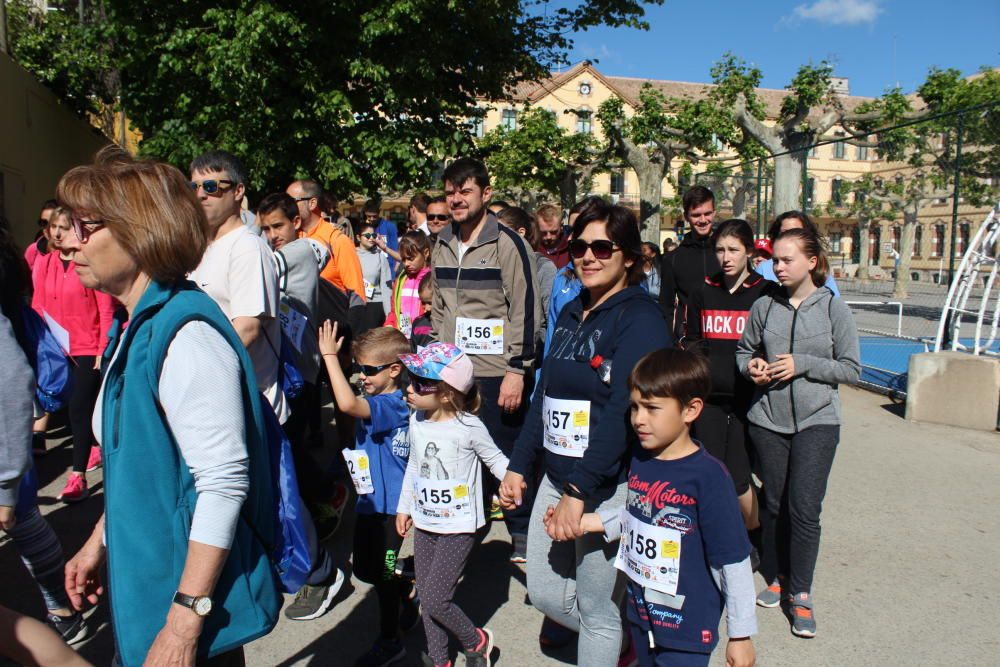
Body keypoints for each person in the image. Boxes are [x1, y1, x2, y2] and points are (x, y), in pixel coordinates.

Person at [59, 148, 281, 665]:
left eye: (85, 226)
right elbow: (140, 467)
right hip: (150, 588)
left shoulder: (186, 335)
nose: (70, 241)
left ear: (139, 232)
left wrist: (183, 625)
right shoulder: (139, 323)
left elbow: (224, 482)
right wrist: (100, 540)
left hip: (183, 611)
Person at [500, 199, 670, 667]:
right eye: (579, 246)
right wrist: (518, 466)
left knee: (596, 611)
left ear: (630, 257)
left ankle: (615, 638)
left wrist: (579, 490)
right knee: (547, 594)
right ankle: (626, 635)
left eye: (602, 247)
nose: (588, 256)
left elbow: (623, 412)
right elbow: (545, 397)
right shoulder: (573, 311)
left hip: (605, 487)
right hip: (555, 478)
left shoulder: (641, 319)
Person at [567, 348, 758, 667]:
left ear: (691, 410)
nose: (639, 419)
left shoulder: (709, 477)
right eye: (635, 408)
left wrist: (740, 635)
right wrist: (591, 522)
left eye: (652, 409)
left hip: (687, 629)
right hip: (641, 617)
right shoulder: (642, 460)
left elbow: (733, 560)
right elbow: (641, 516)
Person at [736, 228, 860, 638]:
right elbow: (744, 351)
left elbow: (850, 369)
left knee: (803, 507)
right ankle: (776, 576)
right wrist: (751, 368)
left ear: (812, 262)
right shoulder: (765, 305)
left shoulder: (832, 310)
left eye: (788, 259)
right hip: (768, 419)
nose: (779, 266)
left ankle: (800, 591)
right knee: (773, 503)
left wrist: (803, 363)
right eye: (776, 260)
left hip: (817, 421)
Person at [431, 157, 541, 562]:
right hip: (457, 374)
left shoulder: (509, 243)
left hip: (498, 374)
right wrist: (439, 365)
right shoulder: (441, 241)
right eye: (450, 192)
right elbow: (439, 309)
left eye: (465, 191)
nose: (456, 199)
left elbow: (525, 310)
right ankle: (464, 534)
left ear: (485, 193)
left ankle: (523, 531)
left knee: (505, 456)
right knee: (460, 455)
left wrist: (517, 370)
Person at [256, 192, 348, 620]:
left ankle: (328, 500)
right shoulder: (285, 249)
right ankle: (326, 493)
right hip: (286, 371)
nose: (271, 235)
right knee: (292, 454)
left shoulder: (298, 253)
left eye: (277, 226)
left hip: (300, 371)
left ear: (297, 222)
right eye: (265, 228)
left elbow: (265, 270)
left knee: (289, 457)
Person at [0, 215, 87, 642]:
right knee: (24, 521)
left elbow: (13, 377)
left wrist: (5, 481)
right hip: (11, 449)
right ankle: (62, 609)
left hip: (5, 451)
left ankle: (61, 609)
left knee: (22, 519)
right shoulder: (26, 260)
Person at [395, 342, 508, 667]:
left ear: (446, 394)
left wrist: (511, 481)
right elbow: (415, 467)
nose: (409, 389)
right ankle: (441, 659)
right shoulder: (417, 420)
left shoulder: (468, 427)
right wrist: (405, 507)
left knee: (433, 598)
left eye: (419, 383)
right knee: (430, 596)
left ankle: (476, 640)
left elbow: (496, 459)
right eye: (409, 380)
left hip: (459, 526)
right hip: (426, 521)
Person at [319, 322, 417, 665]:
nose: (362, 377)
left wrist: (330, 357)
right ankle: (409, 588)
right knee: (365, 570)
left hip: (392, 510)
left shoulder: (394, 405)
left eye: (369, 370)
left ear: (394, 370)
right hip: (368, 502)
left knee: (384, 575)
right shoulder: (377, 396)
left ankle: (391, 641)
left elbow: (346, 405)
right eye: (359, 369)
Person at [686, 219, 776, 536]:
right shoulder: (703, 291)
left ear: (749, 252)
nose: (726, 257)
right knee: (710, 467)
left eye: (733, 250)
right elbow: (693, 342)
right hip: (710, 397)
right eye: (720, 249)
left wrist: (761, 365)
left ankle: (751, 534)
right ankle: (716, 534)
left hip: (749, 398)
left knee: (739, 474)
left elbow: (773, 343)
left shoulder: (766, 293)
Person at [189, 150, 289, 424]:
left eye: (211, 186)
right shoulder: (200, 249)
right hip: (212, 400)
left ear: (238, 191)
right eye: (194, 186)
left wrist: (192, 374)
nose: (200, 195)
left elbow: (247, 328)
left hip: (246, 404)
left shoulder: (246, 247)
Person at [31, 207, 116, 501]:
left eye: (64, 227)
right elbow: (38, 303)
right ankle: (94, 445)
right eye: (53, 226)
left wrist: (103, 349)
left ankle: (77, 475)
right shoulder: (46, 261)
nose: (56, 233)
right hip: (56, 346)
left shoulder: (87, 261)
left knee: (79, 409)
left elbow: (106, 308)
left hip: (87, 346)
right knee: (63, 404)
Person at [659, 185, 721, 342]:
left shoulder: (727, 253)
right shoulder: (672, 259)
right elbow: (666, 308)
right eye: (696, 215)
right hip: (689, 343)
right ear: (686, 216)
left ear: (715, 212)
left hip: (725, 337)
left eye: (707, 214)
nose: (703, 220)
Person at [287, 179, 365, 297]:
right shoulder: (289, 238)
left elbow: (357, 295)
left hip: (333, 314)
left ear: (312, 203)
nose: (286, 207)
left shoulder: (337, 241)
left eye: (291, 202)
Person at [496, 205, 556, 337]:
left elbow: (550, 318)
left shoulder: (543, 267)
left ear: (520, 232)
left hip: (530, 347)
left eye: (500, 233)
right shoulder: (495, 264)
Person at [756, 211, 840, 296]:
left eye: (796, 231)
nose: (779, 268)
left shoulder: (820, 272)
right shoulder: (764, 269)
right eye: (784, 233)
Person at [384, 231, 432, 340]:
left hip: (424, 339)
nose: (406, 264)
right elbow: (394, 311)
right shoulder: (401, 280)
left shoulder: (432, 280)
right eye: (403, 259)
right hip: (402, 338)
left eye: (411, 258)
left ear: (426, 253)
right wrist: (389, 326)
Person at [356, 219, 394, 332]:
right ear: (358, 238)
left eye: (373, 235)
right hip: (355, 304)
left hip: (374, 305)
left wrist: (388, 314)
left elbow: (386, 287)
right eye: (367, 235)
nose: (371, 238)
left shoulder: (380, 256)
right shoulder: (351, 255)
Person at [363, 200, 400, 274]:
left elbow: (395, 250)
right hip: (369, 270)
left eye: (374, 216)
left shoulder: (390, 226)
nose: (372, 219)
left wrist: (394, 273)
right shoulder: (364, 228)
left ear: (379, 213)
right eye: (369, 216)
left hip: (388, 270)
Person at [24, 199, 58, 268]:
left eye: (53, 223)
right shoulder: (33, 250)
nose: (48, 228)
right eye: (44, 223)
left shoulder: (72, 255)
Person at [535, 203, 571, 269]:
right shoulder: (532, 250)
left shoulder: (571, 250)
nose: (549, 237)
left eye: (553, 232)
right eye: (544, 233)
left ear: (561, 227)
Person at [410, 273, 435, 351]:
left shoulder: (448, 323)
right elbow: (413, 350)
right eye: (423, 303)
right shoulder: (418, 323)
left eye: (430, 303)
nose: (427, 308)